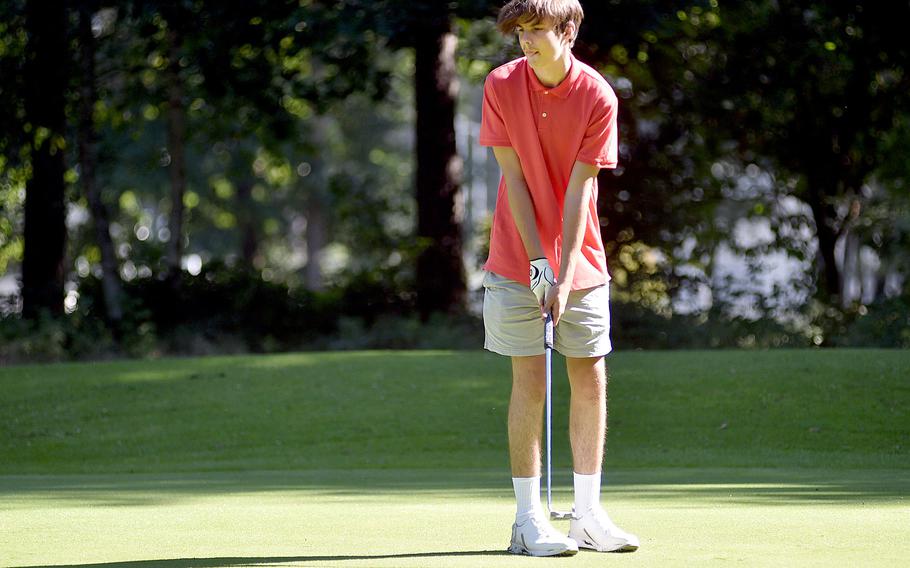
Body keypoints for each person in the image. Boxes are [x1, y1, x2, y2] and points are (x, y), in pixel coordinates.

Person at [479, 0, 640, 557]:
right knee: (530, 378)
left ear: (568, 31)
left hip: (584, 258)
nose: (526, 42)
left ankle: (587, 516)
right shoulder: (501, 84)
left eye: (538, 30)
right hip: (513, 255)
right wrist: (537, 261)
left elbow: (580, 192)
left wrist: (566, 271)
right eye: (520, 32)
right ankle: (528, 521)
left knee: (590, 374)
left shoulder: (598, 95)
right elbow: (514, 179)